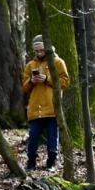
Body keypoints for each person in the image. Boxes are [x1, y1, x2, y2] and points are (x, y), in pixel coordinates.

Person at [21, 35, 70, 170]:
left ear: (47, 48)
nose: (39, 53)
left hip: (52, 108)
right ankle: (31, 164)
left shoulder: (58, 62)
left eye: (41, 50)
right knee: (33, 139)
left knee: (53, 139)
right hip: (35, 109)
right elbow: (24, 87)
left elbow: (65, 82)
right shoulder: (30, 65)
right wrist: (32, 81)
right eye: (36, 51)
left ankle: (51, 163)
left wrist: (47, 79)